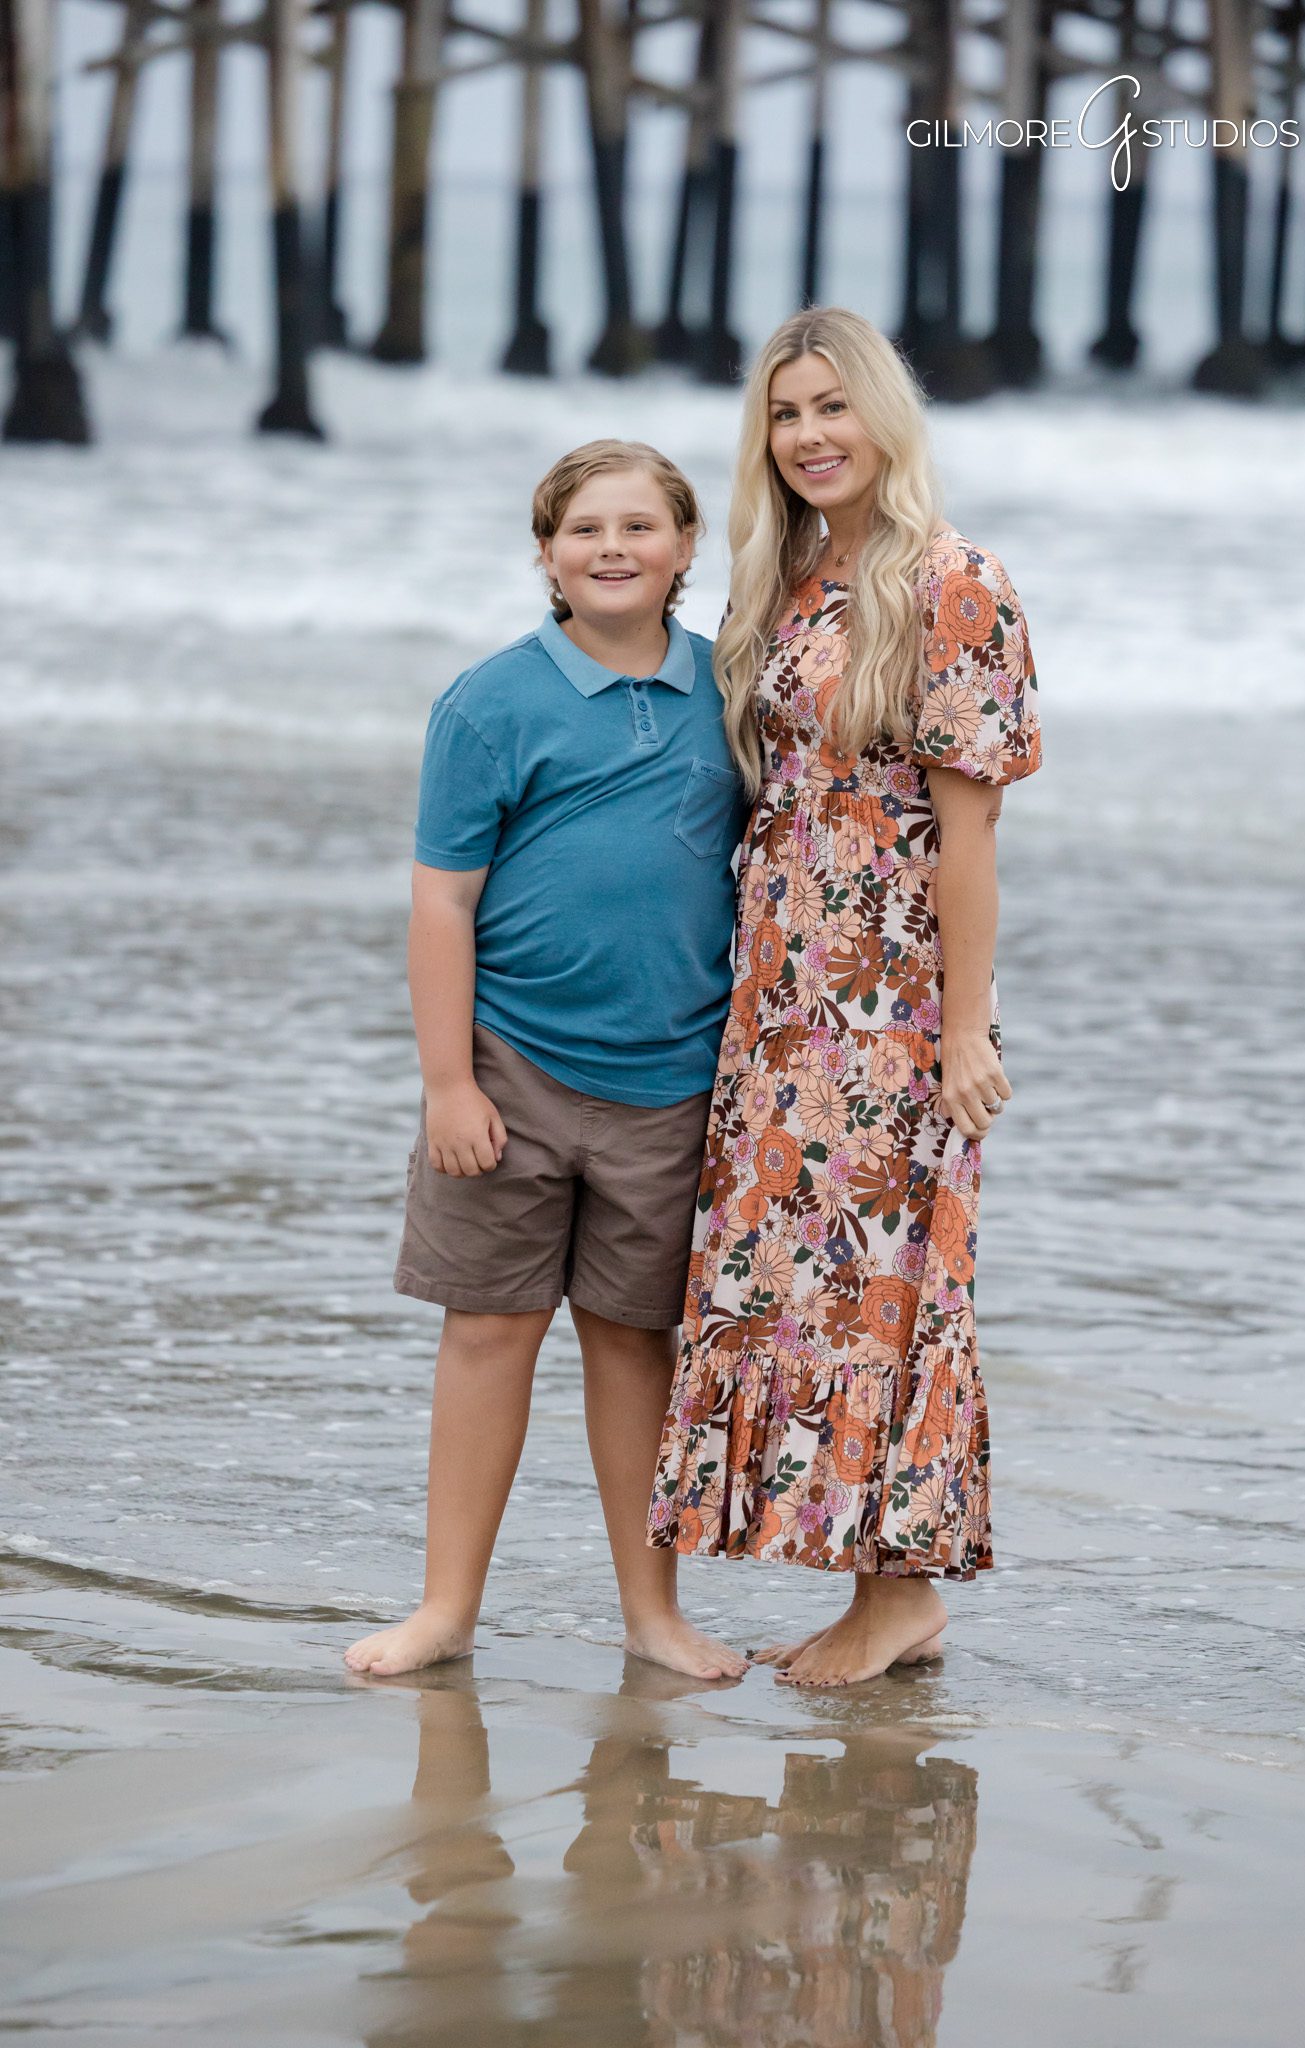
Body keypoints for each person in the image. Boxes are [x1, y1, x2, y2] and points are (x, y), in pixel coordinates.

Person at [646, 307, 1043, 1687]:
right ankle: (875, 1591)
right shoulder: (788, 580)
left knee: (896, 1282)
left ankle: (901, 1599)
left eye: (831, 406)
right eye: (783, 413)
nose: (809, 435)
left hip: (890, 1000)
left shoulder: (950, 581)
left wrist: (967, 1026)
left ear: (883, 414)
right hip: (778, 994)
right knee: (804, 1288)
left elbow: (968, 832)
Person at [345, 440, 750, 1682]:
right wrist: (447, 1081)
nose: (612, 547)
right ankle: (445, 1607)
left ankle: (652, 1614)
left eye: (640, 525)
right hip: (509, 1070)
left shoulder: (732, 692)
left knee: (636, 1344)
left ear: (687, 549)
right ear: (545, 556)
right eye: (584, 529)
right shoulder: (492, 702)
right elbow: (440, 904)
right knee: (489, 1330)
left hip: (671, 1080)